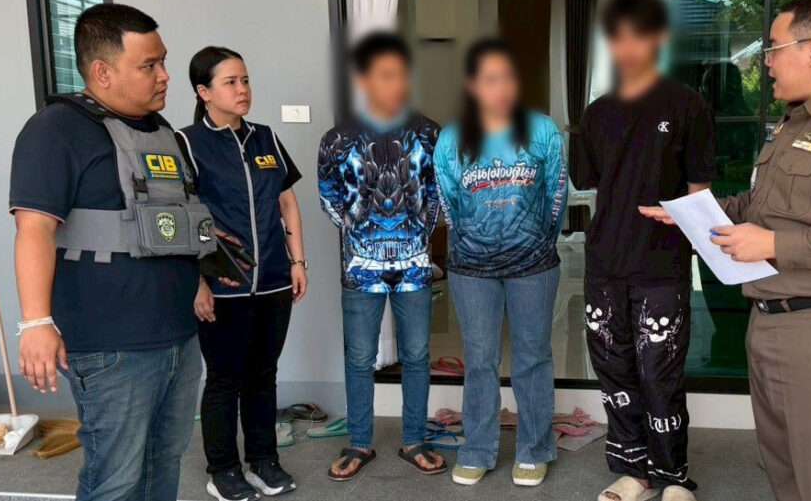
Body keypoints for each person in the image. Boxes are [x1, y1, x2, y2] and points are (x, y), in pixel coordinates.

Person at [641, 0, 811, 501]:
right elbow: (763, 204)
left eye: (774, 48)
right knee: (786, 471)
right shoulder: (799, 122)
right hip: (774, 320)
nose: (766, 62)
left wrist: (773, 244)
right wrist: (696, 214)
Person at [9, 4, 215, 501]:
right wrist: (35, 323)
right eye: (149, 65)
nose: (165, 75)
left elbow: (174, 223)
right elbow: (34, 229)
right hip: (111, 347)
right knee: (116, 479)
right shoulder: (56, 130)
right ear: (102, 72)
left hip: (178, 336)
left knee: (164, 463)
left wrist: (199, 281)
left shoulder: (163, 133)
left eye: (163, 61)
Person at [574, 0, 717, 501]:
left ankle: (673, 476)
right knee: (614, 370)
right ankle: (633, 471)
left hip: (661, 263)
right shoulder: (596, 114)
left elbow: (699, 194)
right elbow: (592, 184)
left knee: (660, 373)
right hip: (606, 262)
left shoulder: (688, 105)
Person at [434, 38, 568, 487]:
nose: (502, 88)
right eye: (491, 79)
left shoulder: (543, 131)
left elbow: (556, 196)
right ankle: (477, 449)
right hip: (472, 268)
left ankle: (534, 449)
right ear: (473, 85)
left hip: (534, 264)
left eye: (509, 77)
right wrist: (479, 241)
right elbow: (450, 208)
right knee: (479, 359)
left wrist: (536, 242)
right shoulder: (451, 139)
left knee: (533, 357)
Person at [176, 47, 307, 500]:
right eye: (230, 82)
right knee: (224, 379)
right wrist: (197, 282)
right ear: (204, 91)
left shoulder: (265, 138)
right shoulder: (187, 143)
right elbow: (182, 216)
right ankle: (223, 469)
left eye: (245, 80)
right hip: (222, 286)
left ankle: (264, 461)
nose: (243, 89)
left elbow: (287, 201)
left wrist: (297, 261)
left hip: (273, 279)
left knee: (263, 374)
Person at [317, 31, 446, 481]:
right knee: (358, 357)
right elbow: (328, 194)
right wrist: (358, 233)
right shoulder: (338, 138)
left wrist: (418, 235)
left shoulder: (429, 133)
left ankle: (415, 440)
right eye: (386, 75)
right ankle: (359, 442)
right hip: (361, 267)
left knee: (417, 354)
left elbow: (439, 193)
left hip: (415, 263)